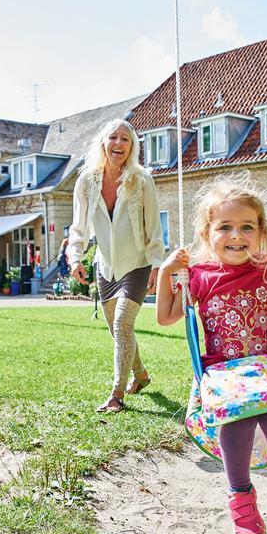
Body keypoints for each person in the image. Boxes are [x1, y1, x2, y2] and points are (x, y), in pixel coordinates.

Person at [154, 173, 267, 534]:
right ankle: (242, 501)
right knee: (236, 419)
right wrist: (167, 272)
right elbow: (165, 316)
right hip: (224, 374)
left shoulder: (265, 267)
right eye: (225, 227)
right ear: (206, 233)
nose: (236, 235)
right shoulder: (198, 276)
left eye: (246, 227)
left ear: (261, 232)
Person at [67, 119, 164, 413]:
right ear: (103, 143)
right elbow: (79, 225)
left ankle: (116, 394)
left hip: (137, 264)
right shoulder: (87, 180)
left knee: (123, 324)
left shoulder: (141, 179)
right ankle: (141, 375)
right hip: (105, 265)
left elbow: (153, 227)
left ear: (132, 147)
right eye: (113, 137)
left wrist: (158, 265)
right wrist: (75, 257)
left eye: (125, 139)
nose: (119, 143)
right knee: (118, 329)